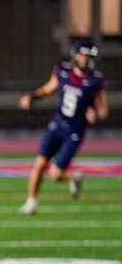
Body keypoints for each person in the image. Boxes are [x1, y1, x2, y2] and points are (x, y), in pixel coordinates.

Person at [17, 38, 107, 215]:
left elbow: (103, 110)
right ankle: (31, 202)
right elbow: (48, 88)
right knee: (39, 164)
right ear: (76, 55)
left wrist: (94, 113)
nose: (85, 60)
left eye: (88, 57)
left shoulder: (95, 82)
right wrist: (32, 98)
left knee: (55, 174)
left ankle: (75, 176)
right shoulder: (63, 72)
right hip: (57, 125)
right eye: (83, 55)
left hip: (74, 132)